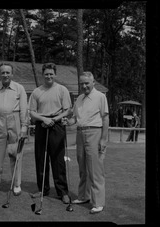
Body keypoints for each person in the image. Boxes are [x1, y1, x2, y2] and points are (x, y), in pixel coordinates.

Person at [63, 71, 109, 214]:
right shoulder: (79, 98)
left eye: (86, 83)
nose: (84, 86)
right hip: (80, 133)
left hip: (95, 132)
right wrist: (67, 121)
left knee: (95, 169)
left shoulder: (100, 97)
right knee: (82, 167)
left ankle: (98, 202)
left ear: (93, 82)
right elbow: (75, 119)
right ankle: (84, 196)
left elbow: (105, 119)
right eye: (81, 83)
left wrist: (103, 139)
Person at [28, 62, 72, 204]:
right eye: (46, 74)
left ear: (55, 74)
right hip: (42, 124)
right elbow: (32, 113)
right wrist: (44, 119)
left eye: (51, 74)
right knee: (41, 158)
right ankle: (43, 189)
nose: (49, 76)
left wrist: (54, 119)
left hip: (57, 125)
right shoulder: (36, 92)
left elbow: (68, 110)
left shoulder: (62, 90)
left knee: (58, 160)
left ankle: (63, 192)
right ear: (43, 75)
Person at [0, 63, 28, 195]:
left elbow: (24, 109)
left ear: (12, 74)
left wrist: (24, 127)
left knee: (15, 153)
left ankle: (16, 184)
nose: (5, 75)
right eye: (3, 72)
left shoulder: (19, 88)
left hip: (14, 120)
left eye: (8, 72)